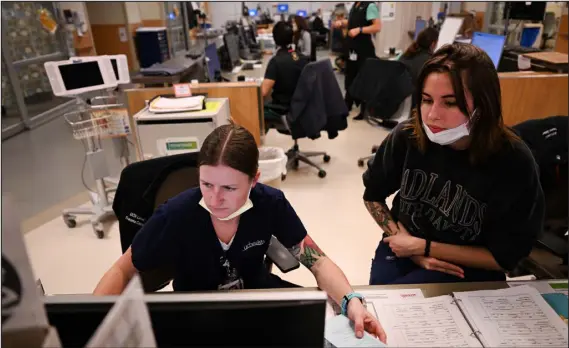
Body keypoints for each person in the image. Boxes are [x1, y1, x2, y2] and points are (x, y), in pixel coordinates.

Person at [94, 123, 386, 343]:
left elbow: (318, 261)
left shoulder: (270, 204)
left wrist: (350, 301)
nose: (214, 199)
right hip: (198, 315)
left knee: (319, 327)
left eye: (229, 188)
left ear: (254, 180)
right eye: (206, 184)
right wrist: (92, 328)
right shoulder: (176, 214)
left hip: (258, 300)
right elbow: (122, 269)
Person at [362, 43, 544, 285]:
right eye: (426, 100)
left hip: (467, 264)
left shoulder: (513, 161)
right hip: (404, 246)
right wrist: (409, 247)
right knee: (383, 305)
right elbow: (372, 195)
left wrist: (426, 248)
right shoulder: (408, 136)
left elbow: (505, 258)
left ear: (483, 106)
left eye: (450, 103)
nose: (432, 115)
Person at [333, 2, 381, 120]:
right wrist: (343, 22)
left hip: (364, 49)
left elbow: (377, 27)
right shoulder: (355, 6)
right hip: (352, 48)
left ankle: (364, 110)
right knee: (350, 75)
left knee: (363, 78)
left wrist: (359, 30)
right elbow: (353, 22)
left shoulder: (369, 6)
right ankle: (347, 105)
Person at [261, 21, 309, 123]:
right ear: (292, 37)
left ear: (274, 40)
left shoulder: (275, 61)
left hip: (283, 108)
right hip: (302, 106)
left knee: (257, 108)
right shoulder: (300, 57)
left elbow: (263, 92)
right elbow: (293, 58)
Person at [399, 27, 439, 109]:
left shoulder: (406, 54)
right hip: (415, 106)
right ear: (433, 44)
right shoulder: (431, 61)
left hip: (400, 102)